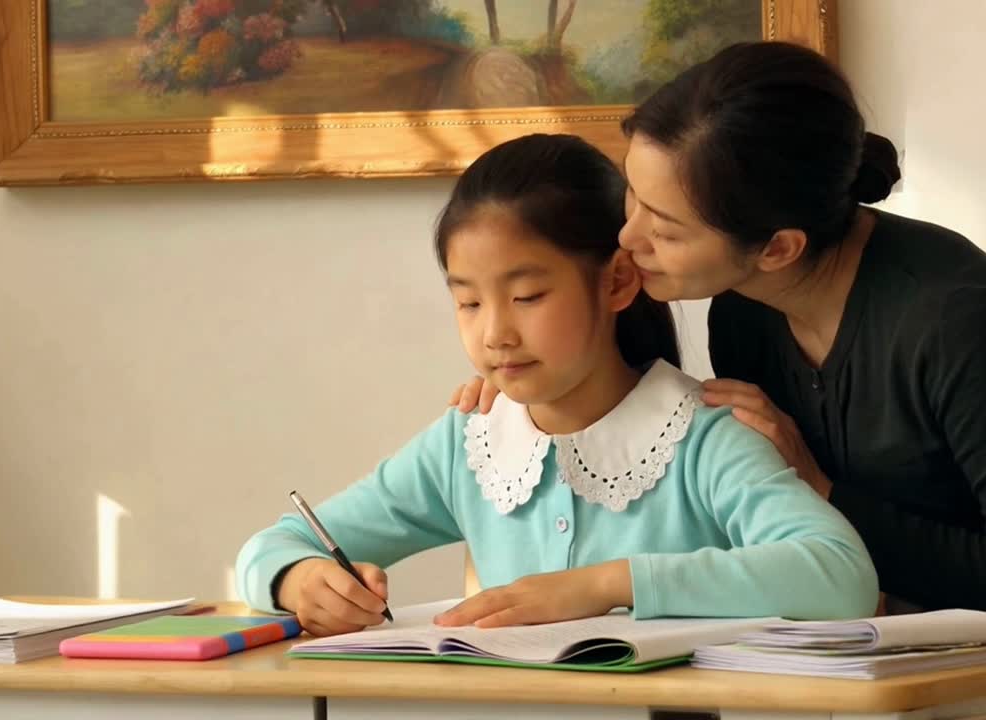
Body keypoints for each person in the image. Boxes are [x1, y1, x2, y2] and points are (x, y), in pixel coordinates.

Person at [452, 42, 986, 616]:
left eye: (667, 228)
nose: (628, 241)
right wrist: (529, 401)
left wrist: (821, 489)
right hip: (933, 652)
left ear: (780, 247)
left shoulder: (956, 323)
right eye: (633, 203)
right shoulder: (744, 311)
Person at [236, 133, 878, 637]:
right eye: (468, 303)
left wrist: (607, 585)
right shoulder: (469, 445)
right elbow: (272, 544)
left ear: (619, 282)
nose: (495, 334)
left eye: (527, 295)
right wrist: (300, 581)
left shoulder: (704, 439)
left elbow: (839, 575)